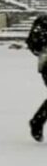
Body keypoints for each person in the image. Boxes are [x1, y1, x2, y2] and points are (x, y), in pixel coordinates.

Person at [25, 12, 47, 142]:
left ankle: (37, 121)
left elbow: (32, 44)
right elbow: (33, 43)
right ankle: (37, 121)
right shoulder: (43, 21)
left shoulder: (42, 21)